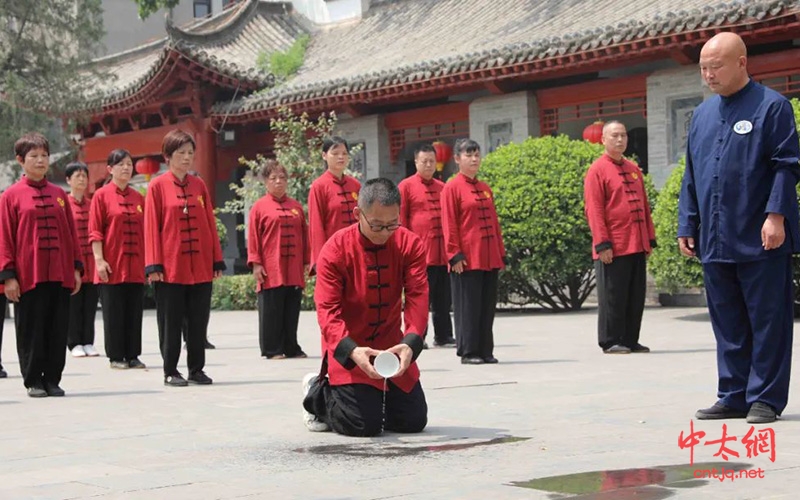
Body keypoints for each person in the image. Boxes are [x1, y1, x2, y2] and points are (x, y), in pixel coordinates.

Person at [678, 32, 800, 424]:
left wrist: (776, 215)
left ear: (742, 63)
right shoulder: (702, 115)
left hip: (761, 234)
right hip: (715, 236)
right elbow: (692, 175)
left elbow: (788, 165)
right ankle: (732, 393)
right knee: (726, 319)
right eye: (703, 68)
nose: (708, 75)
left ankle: (765, 397)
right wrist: (687, 221)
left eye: (716, 66)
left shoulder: (773, 107)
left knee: (767, 319)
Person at [302, 178, 429, 437]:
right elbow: (327, 311)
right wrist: (351, 350)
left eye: (392, 224)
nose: (385, 233)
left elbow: (417, 296)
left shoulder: (410, 245)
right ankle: (317, 393)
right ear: (358, 214)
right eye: (377, 225)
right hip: (351, 347)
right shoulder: (335, 250)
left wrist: (411, 342)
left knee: (413, 421)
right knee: (362, 426)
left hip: (391, 347)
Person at [0, 132, 83, 397]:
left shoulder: (59, 194)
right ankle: (34, 380)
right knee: (31, 330)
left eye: (44, 156)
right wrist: (9, 276)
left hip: (59, 273)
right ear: (20, 160)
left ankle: (53, 378)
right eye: (34, 156)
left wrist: (76, 268)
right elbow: (4, 237)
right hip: (28, 275)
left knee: (57, 328)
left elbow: (71, 234)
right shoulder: (10, 196)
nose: (40, 161)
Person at [144, 130, 225, 387]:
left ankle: (196, 369)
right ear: (168, 156)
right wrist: (154, 264)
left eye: (191, 153)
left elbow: (209, 224)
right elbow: (151, 227)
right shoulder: (157, 186)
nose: (187, 157)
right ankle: (170, 370)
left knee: (198, 320)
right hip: (170, 267)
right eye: (181, 153)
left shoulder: (199, 185)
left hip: (200, 265)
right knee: (170, 321)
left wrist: (216, 259)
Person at [584, 121, 656, 354]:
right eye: (614, 135)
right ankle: (610, 340)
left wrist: (649, 238)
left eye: (623, 135)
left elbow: (644, 206)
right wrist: (602, 243)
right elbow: (594, 209)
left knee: (635, 294)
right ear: (603, 140)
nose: (620, 140)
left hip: (636, 241)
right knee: (613, 295)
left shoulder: (633, 169)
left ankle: (630, 338)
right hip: (614, 243)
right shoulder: (597, 170)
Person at [441, 139, 506, 365]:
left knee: (487, 305)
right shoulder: (451, 187)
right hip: (467, 257)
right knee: (467, 306)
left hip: (488, 256)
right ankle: (469, 351)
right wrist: (454, 254)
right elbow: (449, 223)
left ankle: (485, 349)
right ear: (457, 159)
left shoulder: (485, 188)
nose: (474, 159)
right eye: (468, 155)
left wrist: (500, 250)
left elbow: (495, 223)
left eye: (477, 154)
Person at [89, 149, 146, 370]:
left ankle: (133, 354)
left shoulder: (138, 197)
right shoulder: (101, 196)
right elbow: (95, 231)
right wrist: (99, 260)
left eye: (129, 164)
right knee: (114, 312)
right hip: (111, 263)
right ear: (110, 169)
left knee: (134, 310)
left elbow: (145, 232)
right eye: (121, 164)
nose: (126, 168)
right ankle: (116, 356)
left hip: (135, 264)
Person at [247, 160, 310, 359]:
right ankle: (271, 348)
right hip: (271, 267)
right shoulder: (259, 207)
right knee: (271, 310)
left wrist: (307, 261)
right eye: (273, 178)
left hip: (293, 267)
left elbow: (305, 235)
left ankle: (291, 346)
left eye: (282, 178)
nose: (278, 182)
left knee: (291, 309)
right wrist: (256, 263)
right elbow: (254, 237)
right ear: (265, 182)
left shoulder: (296, 206)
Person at [398, 144, 455, 349]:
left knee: (444, 298)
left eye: (432, 161)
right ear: (416, 163)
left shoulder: (443, 187)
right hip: (420, 253)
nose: (429, 165)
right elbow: (401, 220)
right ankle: (416, 337)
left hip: (443, 254)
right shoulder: (405, 186)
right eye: (425, 161)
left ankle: (444, 335)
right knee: (419, 299)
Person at [308, 136, 361, 272]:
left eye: (344, 153)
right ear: (324, 156)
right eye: (335, 153)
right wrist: (320, 259)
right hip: (333, 252)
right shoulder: (318, 186)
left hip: (357, 250)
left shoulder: (355, 185)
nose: (340, 157)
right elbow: (316, 226)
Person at [65, 162, 100, 358]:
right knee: (74, 305)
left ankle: (88, 341)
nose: (81, 179)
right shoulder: (64, 204)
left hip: (92, 262)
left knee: (90, 304)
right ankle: (74, 342)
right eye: (77, 176)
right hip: (73, 262)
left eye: (84, 176)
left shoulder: (92, 203)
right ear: (68, 180)